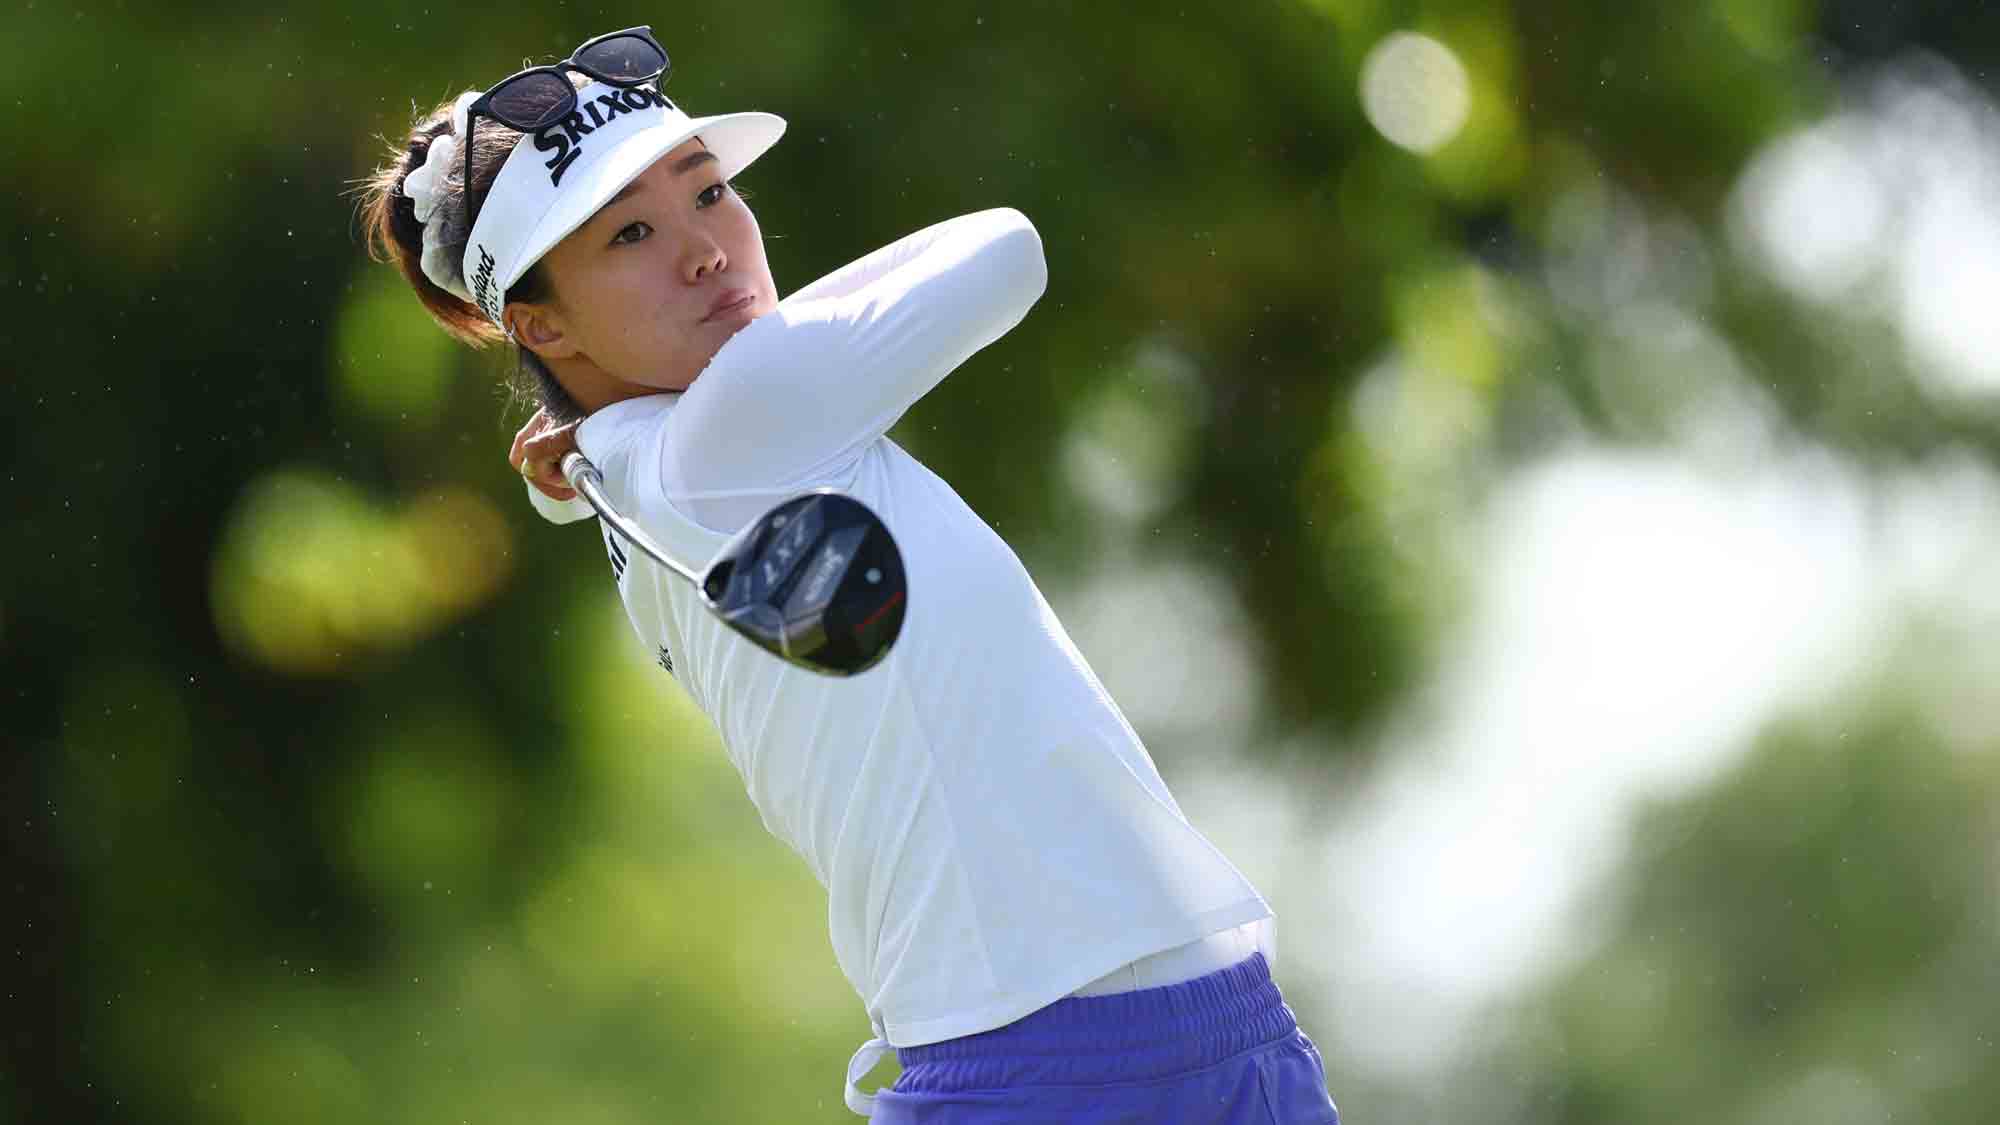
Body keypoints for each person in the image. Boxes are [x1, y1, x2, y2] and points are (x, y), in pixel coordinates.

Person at [358, 25, 1338, 1124]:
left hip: (1174, 1039)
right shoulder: (742, 424)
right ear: (537, 322)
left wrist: (578, 432)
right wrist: (609, 423)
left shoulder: (640, 477)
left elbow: (633, 443)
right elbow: (1007, 247)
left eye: (709, 192)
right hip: (1061, 1074)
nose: (707, 250)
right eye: (630, 233)